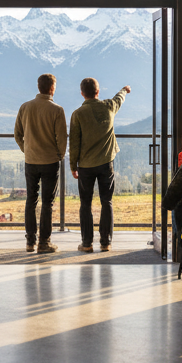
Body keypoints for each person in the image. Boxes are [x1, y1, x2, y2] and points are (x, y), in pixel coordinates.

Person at [68, 78, 130, 253]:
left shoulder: (77, 114)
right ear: (98, 91)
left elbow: (74, 142)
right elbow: (119, 98)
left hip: (85, 166)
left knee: (85, 203)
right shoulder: (109, 106)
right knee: (106, 202)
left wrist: (73, 165)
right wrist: (125, 89)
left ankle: (86, 243)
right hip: (105, 163)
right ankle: (106, 242)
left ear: (82, 93)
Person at [14, 73, 67, 254]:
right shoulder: (57, 110)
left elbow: (17, 134)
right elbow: (62, 139)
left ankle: (30, 241)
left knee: (31, 200)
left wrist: (27, 150)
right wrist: (59, 155)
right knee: (47, 203)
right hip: (50, 161)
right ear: (52, 88)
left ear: (38, 87)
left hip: (31, 161)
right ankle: (44, 243)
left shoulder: (25, 107)